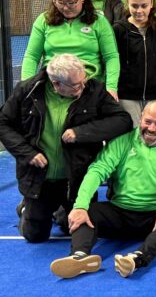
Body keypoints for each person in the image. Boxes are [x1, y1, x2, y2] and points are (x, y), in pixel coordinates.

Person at [49, 101, 156, 279]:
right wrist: (80, 206)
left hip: (155, 217)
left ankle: (137, 259)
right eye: (147, 122)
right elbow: (97, 171)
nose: (151, 128)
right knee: (86, 211)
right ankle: (79, 257)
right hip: (121, 213)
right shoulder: (123, 141)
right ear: (141, 118)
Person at [0, 53, 132, 243]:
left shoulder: (94, 90)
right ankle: (27, 208)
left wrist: (81, 132)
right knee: (35, 236)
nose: (83, 87)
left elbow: (123, 120)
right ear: (56, 84)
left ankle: (60, 213)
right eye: (77, 85)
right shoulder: (27, 90)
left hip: (77, 178)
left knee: (73, 227)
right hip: (40, 179)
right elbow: (3, 124)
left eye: (83, 80)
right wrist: (27, 153)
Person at [21, 0, 120, 98]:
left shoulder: (99, 22)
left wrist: (111, 88)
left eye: (71, 2)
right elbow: (32, 56)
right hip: (53, 88)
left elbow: (111, 57)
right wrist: (25, 87)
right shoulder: (43, 20)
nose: (66, 8)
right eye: (60, 2)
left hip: (89, 89)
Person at [112, 0, 156, 126]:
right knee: (132, 134)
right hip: (128, 95)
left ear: (151, 4)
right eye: (134, 6)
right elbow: (114, 61)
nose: (139, 11)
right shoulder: (118, 30)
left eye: (144, 6)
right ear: (128, 4)